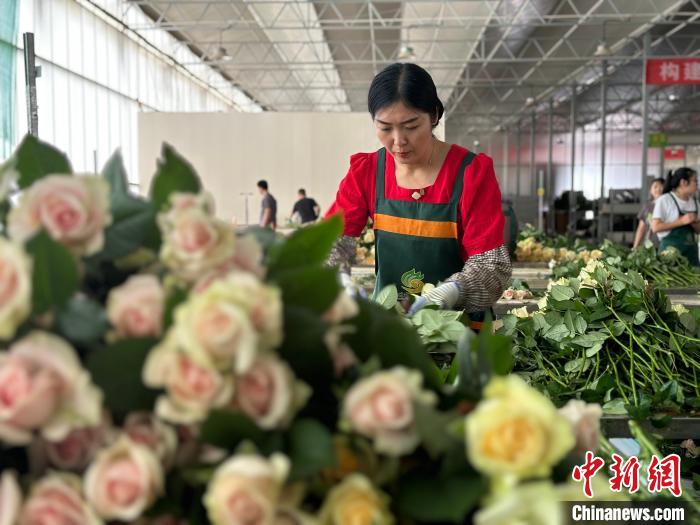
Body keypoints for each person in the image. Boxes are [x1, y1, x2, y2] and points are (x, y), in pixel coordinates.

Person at [326, 62, 511, 326]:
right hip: (390, 327)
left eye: (411, 126)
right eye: (385, 127)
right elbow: (329, 242)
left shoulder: (470, 173)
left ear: (434, 115)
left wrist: (453, 290)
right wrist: (338, 279)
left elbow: (492, 266)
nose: (398, 141)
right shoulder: (367, 172)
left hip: (459, 328)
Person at [651, 167, 700, 266]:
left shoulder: (695, 203)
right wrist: (681, 221)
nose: (697, 184)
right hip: (669, 255)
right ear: (683, 182)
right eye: (695, 181)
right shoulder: (665, 200)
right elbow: (655, 227)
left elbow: (699, 230)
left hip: (691, 255)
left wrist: (693, 222)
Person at [632, 177, 665, 249]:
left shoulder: (668, 205)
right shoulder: (647, 207)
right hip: (650, 245)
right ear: (650, 190)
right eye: (655, 187)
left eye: (661, 186)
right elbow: (641, 228)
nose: (658, 189)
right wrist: (635, 246)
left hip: (666, 244)